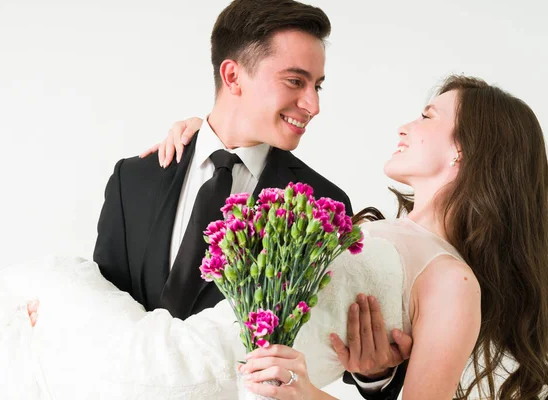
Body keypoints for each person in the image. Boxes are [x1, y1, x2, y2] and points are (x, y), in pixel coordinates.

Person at [71, 0, 409, 396]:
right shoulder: (134, 180)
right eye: (295, 81)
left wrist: (374, 376)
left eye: (317, 85)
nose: (314, 105)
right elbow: (101, 317)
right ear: (233, 76)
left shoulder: (321, 204)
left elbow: (333, 343)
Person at [144, 75, 548, 399]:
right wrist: (208, 139)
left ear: (463, 149)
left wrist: (308, 396)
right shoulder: (365, 228)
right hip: (187, 348)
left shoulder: (453, 280)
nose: (405, 127)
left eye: (427, 117)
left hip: (226, 381)